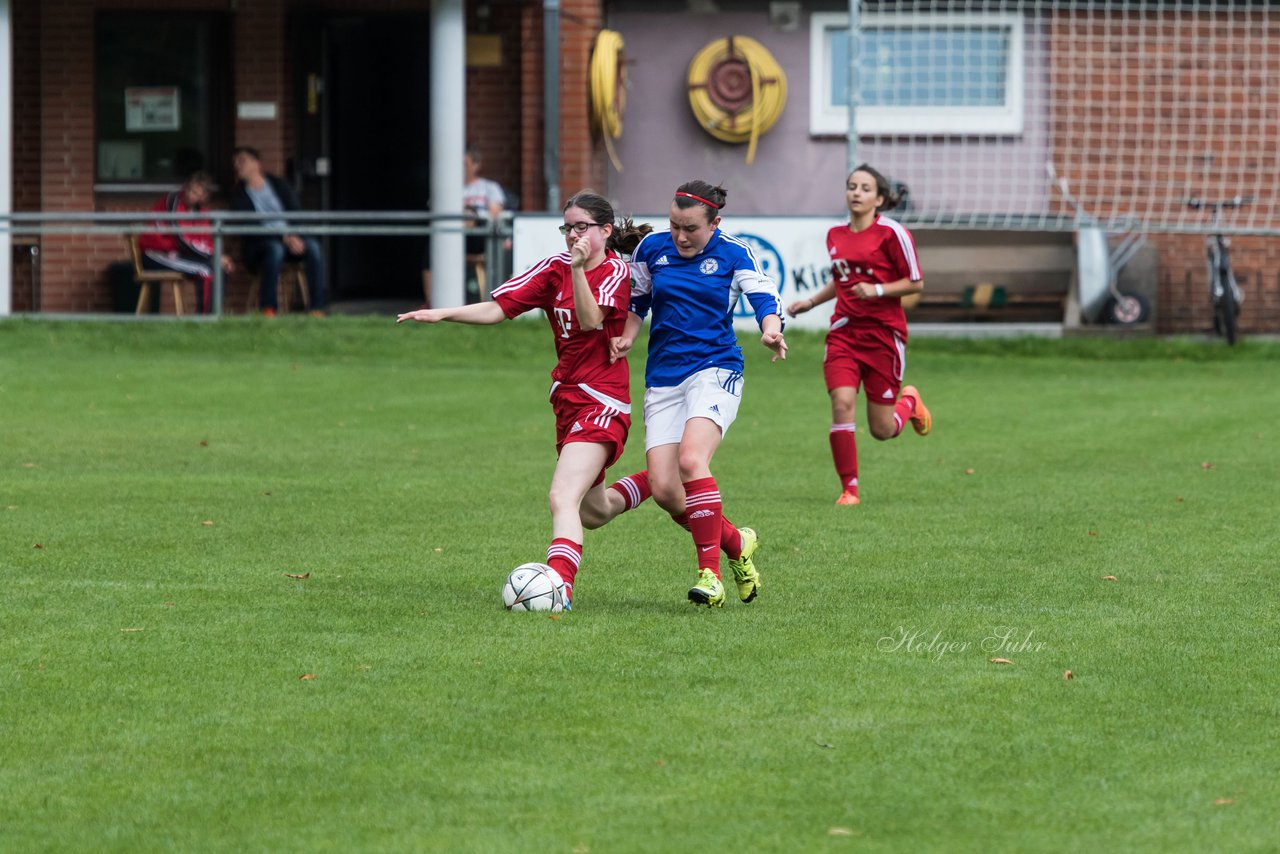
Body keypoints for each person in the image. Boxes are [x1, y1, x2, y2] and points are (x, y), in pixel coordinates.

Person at [398, 190, 652, 609]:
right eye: (567, 228)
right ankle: (660, 482)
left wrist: (575, 271)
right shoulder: (554, 267)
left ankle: (560, 589)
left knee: (561, 497)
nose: (572, 236)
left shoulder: (613, 272)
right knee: (595, 510)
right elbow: (500, 309)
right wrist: (442, 313)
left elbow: (590, 322)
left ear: (605, 231)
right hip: (567, 401)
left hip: (602, 400)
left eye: (582, 228)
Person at [611, 180, 787, 608]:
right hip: (664, 379)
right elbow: (639, 301)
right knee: (667, 490)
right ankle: (736, 544)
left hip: (716, 368)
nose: (680, 236)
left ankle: (710, 575)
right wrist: (627, 338)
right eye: (674, 225)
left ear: (715, 223)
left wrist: (771, 330)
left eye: (690, 228)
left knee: (692, 460)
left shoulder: (733, 252)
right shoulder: (652, 249)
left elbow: (763, 295)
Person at [786, 163, 932, 507]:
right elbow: (842, 281)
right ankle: (849, 489)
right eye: (852, 186)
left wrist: (879, 291)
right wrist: (810, 301)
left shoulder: (893, 234)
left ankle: (908, 402)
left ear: (879, 199)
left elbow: (915, 282)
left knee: (882, 430)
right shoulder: (835, 235)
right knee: (842, 403)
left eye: (865, 188)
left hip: (883, 337)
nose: (856, 193)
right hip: (844, 333)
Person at [229, 146, 328, 316]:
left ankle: (317, 308)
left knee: (313, 247)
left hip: (290, 238)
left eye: (242, 161)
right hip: (260, 245)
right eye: (235, 162)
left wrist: (294, 235)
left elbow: (295, 211)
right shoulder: (238, 195)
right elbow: (250, 227)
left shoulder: (278, 185)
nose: (238, 165)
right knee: (275, 249)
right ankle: (269, 308)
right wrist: (283, 238)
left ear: (256, 164)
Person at [421, 144, 507, 307]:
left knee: (467, 216)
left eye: (465, 164)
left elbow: (495, 212)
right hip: (450, 235)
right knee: (430, 252)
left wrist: (469, 214)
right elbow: (434, 212)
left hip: (477, 238)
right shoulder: (446, 189)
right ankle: (430, 303)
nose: (460, 169)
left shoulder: (489, 187)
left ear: (476, 165)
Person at [136, 171, 234, 314]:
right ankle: (205, 320)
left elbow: (205, 241)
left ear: (204, 197)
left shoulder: (201, 212)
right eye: (189, 189)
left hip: (178, 254)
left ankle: (216, 314)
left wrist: (217, 256)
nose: (189, 194)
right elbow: (180, 239)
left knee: (221, 269)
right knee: (205, 271)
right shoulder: (172, 201)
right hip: (155, 253)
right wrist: (214, 257)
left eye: (196, 193)